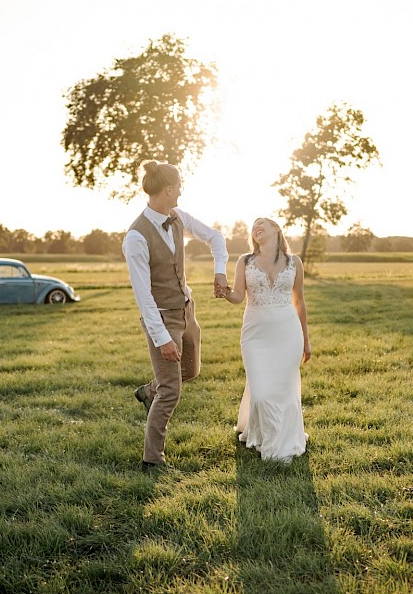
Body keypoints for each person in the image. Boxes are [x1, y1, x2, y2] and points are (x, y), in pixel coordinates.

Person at [122, 160, 229, 469]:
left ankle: (147, 391)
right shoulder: (136, 237)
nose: (181, 191)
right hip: (162, 318)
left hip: (187, 312)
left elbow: (216, 237)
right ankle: (152, 461)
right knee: (171, 391)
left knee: (190, 372)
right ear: (168, 189)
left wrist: (219, 273)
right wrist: (162, 339)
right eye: (179, 186)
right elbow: (144, 297)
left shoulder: (178, 217)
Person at [222, 217, 310, 462]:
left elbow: (299, 302)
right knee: (260, 393)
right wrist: (226, 292)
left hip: (288, 333)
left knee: (284, 390)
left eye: (262, 223)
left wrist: (306, 339)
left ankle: (280, 443)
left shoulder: (295, 263)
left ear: (276, 230)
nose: (256, 227)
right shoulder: (245, 261)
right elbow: (238, 296)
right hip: (255, 335)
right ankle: (264, 436)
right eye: (253, 226)